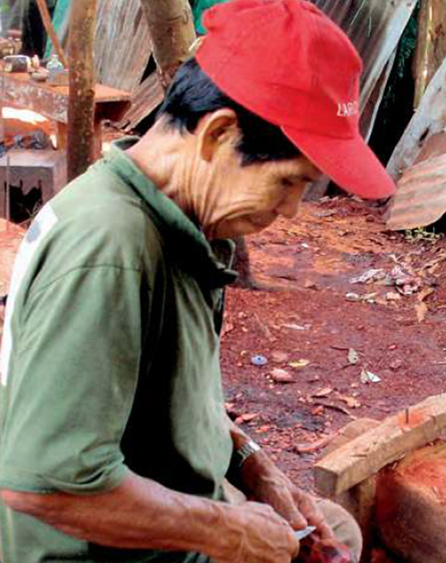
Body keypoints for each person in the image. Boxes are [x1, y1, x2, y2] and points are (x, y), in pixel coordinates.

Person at [0, 1, 395, 561]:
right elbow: (45, 483)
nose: (291, 211)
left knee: (333, 529)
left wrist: (255, 467)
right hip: (100, 550)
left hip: (163, 509)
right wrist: (225, 529)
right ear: (217, 134)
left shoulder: (175, 220)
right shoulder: (112, 249)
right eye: (288, 182)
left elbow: (174, 397)